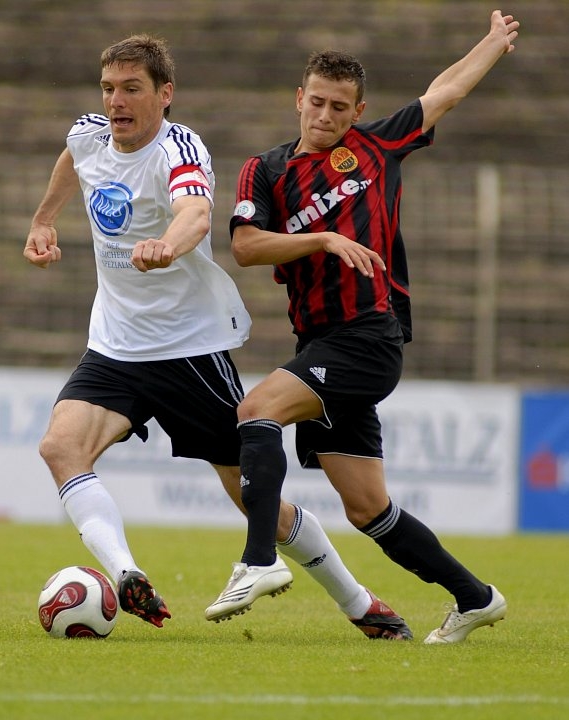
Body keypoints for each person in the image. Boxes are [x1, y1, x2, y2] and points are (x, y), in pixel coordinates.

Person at [23, 34, 412, 640]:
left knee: (256, 502)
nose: (116, 101)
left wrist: (167, 244)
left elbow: (196, 214)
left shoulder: (180, 148)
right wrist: (44, 219)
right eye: (108, 88)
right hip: (115, 345)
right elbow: (74, 159)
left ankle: (360, 603)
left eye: (131, 89)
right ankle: (126, 574)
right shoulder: (89, 134)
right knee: (59, 447)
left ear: (165, 94)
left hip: (188, 351)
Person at [208, 10, 519, 644]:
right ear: (299, 98)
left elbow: (446, 92)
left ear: (358, 111)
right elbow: (245, 246)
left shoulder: (374, 148)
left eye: (339, 107)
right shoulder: (265, 171)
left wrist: (491, 42)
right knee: (368, 508)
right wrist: (322, 237)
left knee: (256, 411)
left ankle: (259, 560)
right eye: (316, 102)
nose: (325, 115)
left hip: (368, 336)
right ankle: (476, 597)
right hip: (319, 341)